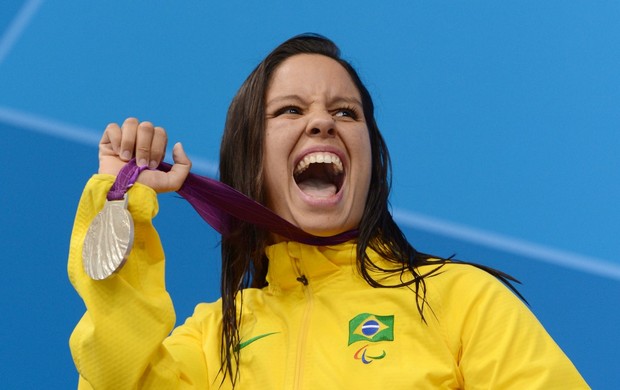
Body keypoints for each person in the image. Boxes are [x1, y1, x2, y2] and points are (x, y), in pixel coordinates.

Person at [68, 34, 588, 389]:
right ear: (252, 159)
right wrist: (120, 204)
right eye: (290, 110)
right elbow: (118, 378)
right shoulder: (212, 339)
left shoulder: (460, 300)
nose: (323, 123)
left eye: (346, 112)